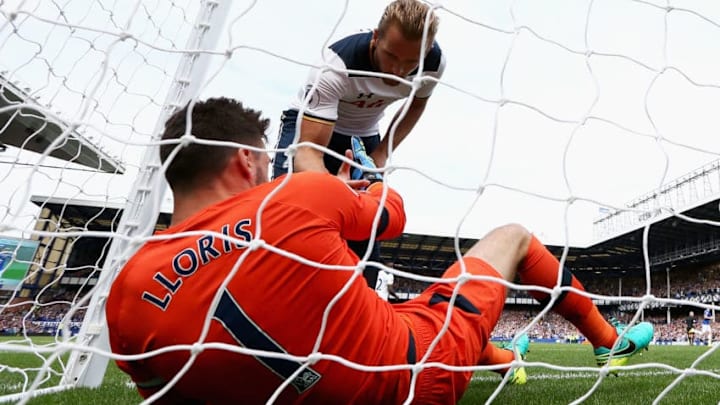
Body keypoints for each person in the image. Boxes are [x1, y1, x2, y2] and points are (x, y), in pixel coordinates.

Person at [106, 97, 654, 404]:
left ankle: (507, 360)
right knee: (510, 236)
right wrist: (363, 183)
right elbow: (393, 215)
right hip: (415, 377)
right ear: (246, 163)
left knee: (377, 309)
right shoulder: (292, 196)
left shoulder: (125, 293)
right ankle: (608, 342)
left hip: (330, 366)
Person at [271, 0, 446, 288]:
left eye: (410, 62)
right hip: (311, 127)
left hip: (363, 135)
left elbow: (416, 105)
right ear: (376, 37)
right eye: (390, 55)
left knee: (365, 229)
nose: (398, 70)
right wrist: (330, 190)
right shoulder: (336, 65)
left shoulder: (434, 63)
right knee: (291, 209)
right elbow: (307, 153)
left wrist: (382, 153)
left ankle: (356, 305)